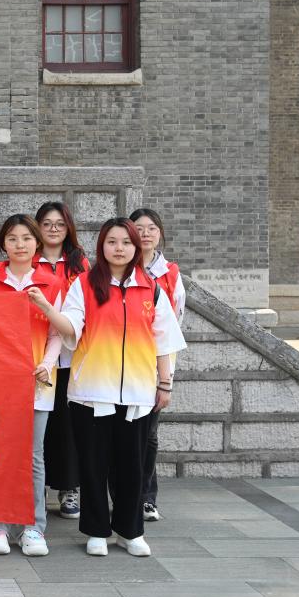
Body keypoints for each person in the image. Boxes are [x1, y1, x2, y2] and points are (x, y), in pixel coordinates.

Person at [30, 217, 186, 558]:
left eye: (126, 242)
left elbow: (164, 341)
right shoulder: (85, 284)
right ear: (101, 246)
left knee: (131, 467)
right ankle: (96, 531)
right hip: (91, 392)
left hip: (138, 393)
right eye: (112, 242)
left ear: (135, 247)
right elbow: (70, 327)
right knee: (93, 466)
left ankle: (131, 532)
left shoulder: (151, 288)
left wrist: (165, 384)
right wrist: (46, 307)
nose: (119, 248)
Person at [0, 214, 62, 558]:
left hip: (37, 382)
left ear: (37, 243)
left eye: (26, 238)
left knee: (33, 456)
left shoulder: (51, 283)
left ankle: (33, 526)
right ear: (3, 244)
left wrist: (47, 363)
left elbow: (57, 333)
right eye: (12, 238)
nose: (20, 244)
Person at [34, 201, 90, 520]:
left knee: (68, 428)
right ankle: (37, 487)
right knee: (41, 426)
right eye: (47, 223)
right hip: (37, 356)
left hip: (72, 356)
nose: (53, 229)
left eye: (59, 223)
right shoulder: (30, 260)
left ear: (68, 228)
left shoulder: (79, 264)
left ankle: (70, 488)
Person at [130, 207, 185, 522]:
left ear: (160, 233)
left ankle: (146, 498)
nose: (145, 233)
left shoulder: (170, 273)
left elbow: (174, 324)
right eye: (139, 228)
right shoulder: (117, 269)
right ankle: (123, 495)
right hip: (121, 361)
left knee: (148, 433)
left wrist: (166, 376)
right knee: (122, 434)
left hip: (155, 366)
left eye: (151, 228)